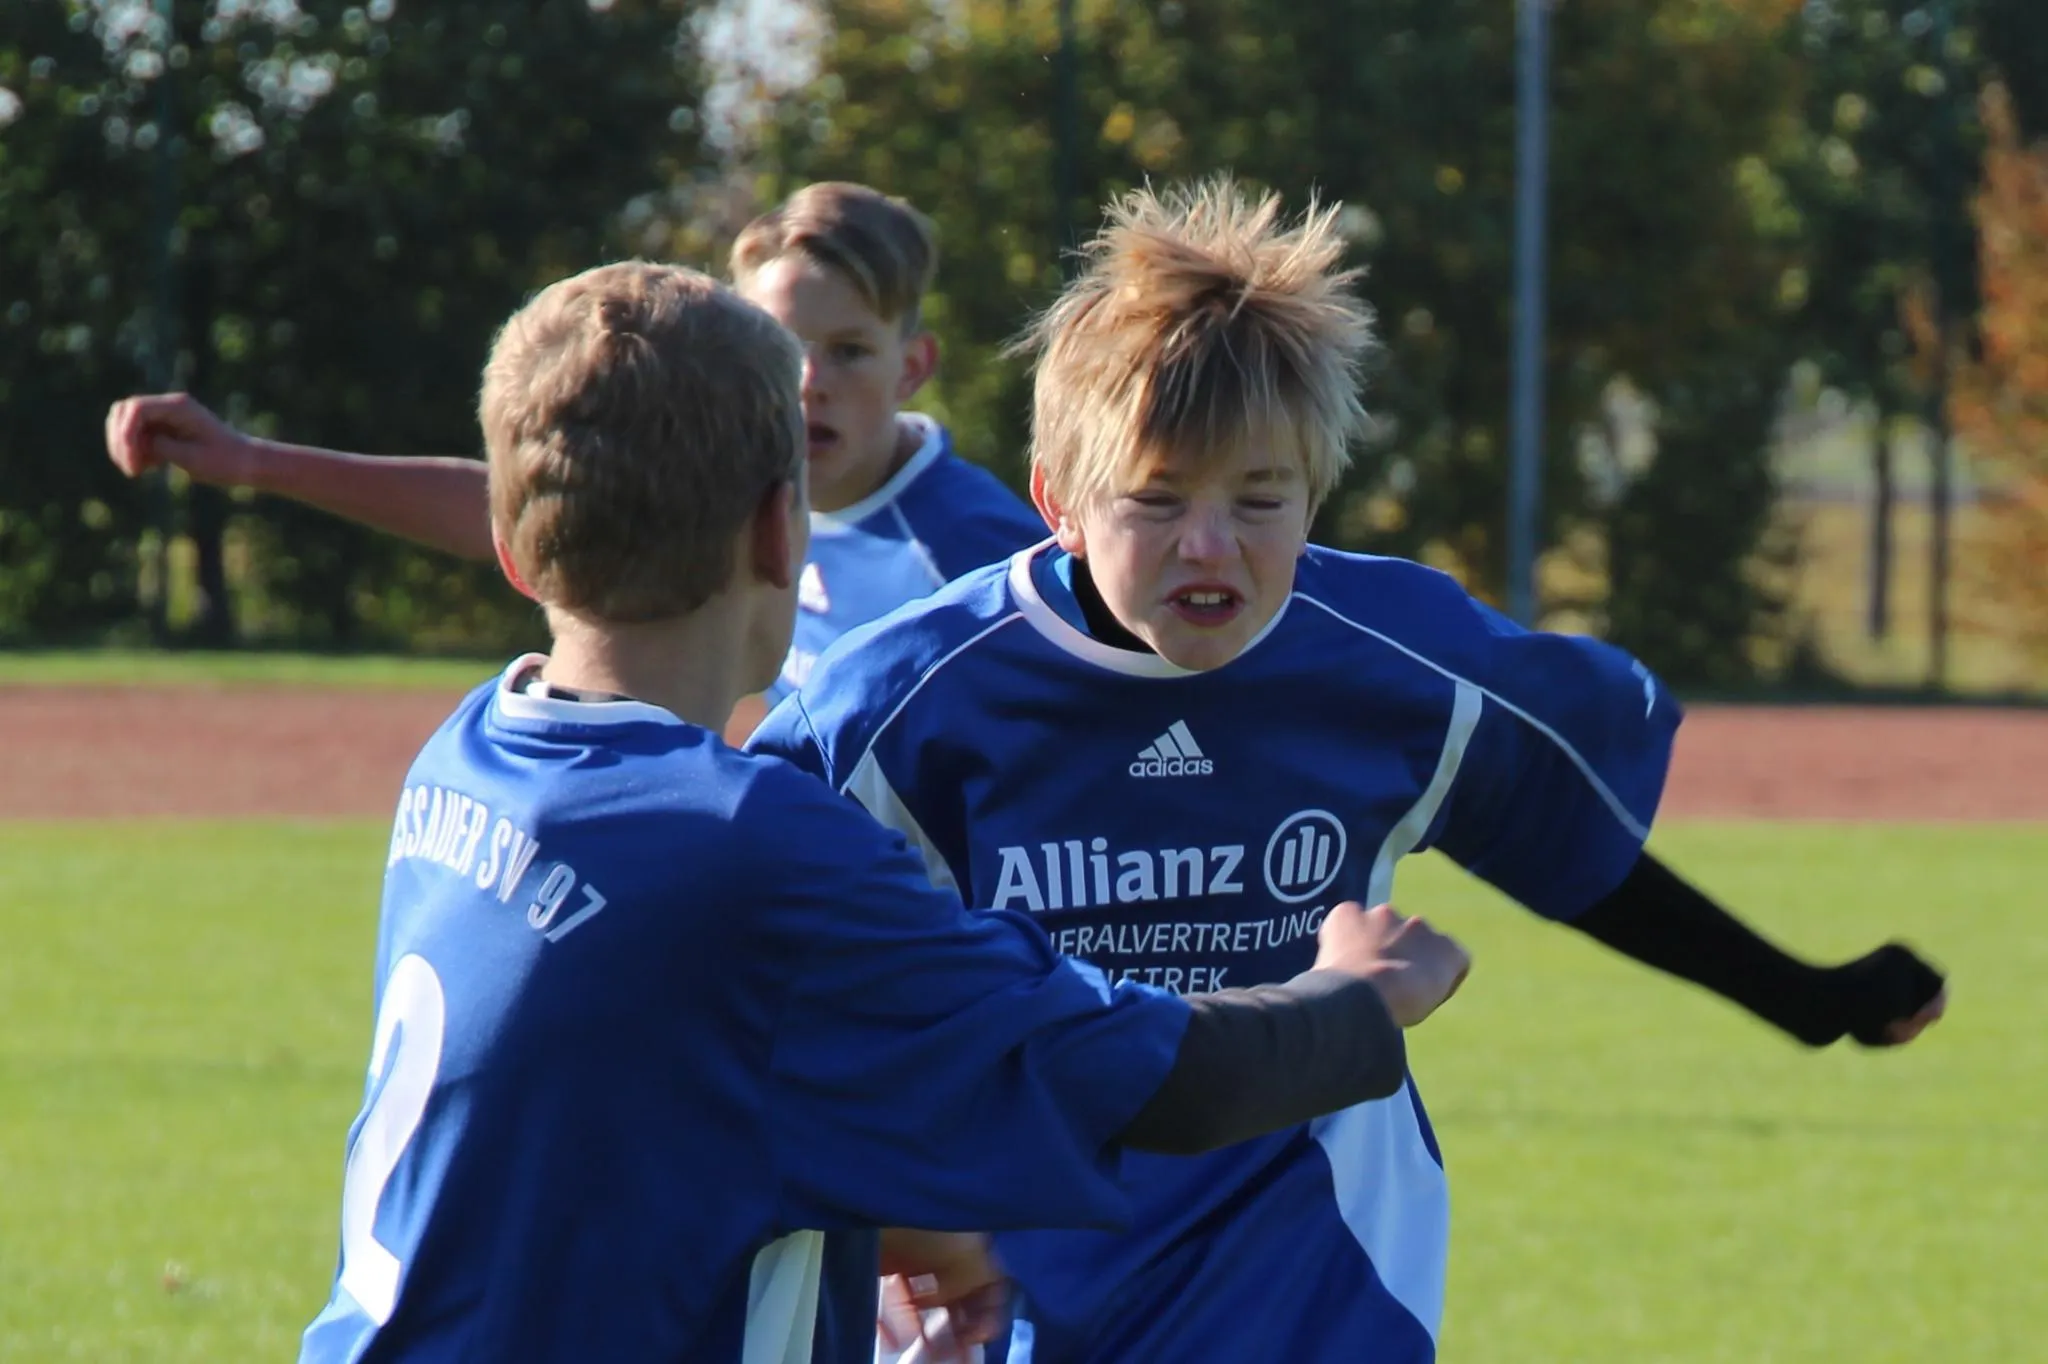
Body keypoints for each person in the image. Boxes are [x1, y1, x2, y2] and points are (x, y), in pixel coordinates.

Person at [747, 177, 1949, 1364]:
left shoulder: (1392, 661)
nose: (1208, 543)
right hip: (1019, 1278)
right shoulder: (902, 701)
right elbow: (739, 947)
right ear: (1055, 499)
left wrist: (1798, 993)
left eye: (1258, 498)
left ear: (1314, 491)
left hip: (1315, 1270)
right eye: (1155, 500)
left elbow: (1568, 853)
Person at [295, 258, 1475, 1364]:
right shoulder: (747, 847)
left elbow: (648, 1114)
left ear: (511, 549)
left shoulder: (467, 761)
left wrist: (903, 1218)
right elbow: (1139, 1072)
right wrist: (1354, 997)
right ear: (780, 528)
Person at [102, 182, 1045, 743]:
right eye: (782, 347)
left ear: (912, 366)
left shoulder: (981, 553)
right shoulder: (733, 479)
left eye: (847, 352)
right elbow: (522, 505)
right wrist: (253, 462)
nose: (808, 384)